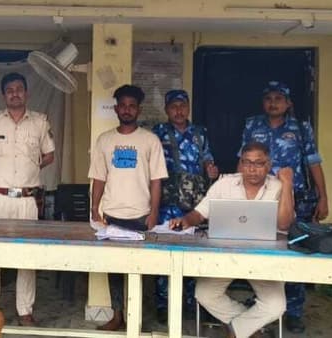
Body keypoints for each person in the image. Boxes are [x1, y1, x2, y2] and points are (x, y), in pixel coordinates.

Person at [169, 142, 294, 338]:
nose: (252, 169)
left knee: (276, 305)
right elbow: (199, 213)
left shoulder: (278, 187)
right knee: (204, 294)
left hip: (265, 258)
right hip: (226, 255)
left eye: (259, 163)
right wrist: (185, 221)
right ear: (241, 164)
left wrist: (287, 184)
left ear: (269, 165)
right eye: (247, 162)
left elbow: (285, 224)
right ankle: (250, 330)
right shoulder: (224, 184)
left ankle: (235, 331)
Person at [239, 81, 328, 334]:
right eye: (269, 98)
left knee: (295, 252)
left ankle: (294, 311)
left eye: (279, 98)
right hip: (260, 198)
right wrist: (238, 193)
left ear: (288, 103)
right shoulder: (252, 125)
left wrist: (323, 197)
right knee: (260, 252)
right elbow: (242, 160)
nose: (273, 103)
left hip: (295, 199)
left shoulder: (300, 127)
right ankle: (265, 305)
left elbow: (313, 162)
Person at [88, 84, 168, 332]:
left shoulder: (150, 140)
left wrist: (154, 213)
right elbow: (98, 177)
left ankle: (137, 318)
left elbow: (156, 180)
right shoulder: (105, 140)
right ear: (116, 109)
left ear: (138, 110)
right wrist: (94, 208)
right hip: (112, 215)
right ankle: (117, 316)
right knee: (114, 269)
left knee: (140, 269)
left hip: (140, 216)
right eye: (122, 105)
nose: (127, 110)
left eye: (132, 106)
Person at [0, 72, 55, 326]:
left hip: (26, 200)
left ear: (26, 93)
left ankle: (25, 311)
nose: (15, 94)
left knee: (26, 257)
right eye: (9, 90)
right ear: (4, 95)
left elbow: (49, 155)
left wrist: (28, 170)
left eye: (19, 89)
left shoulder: (40, 123)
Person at [152, 89, 219, 323]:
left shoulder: (200, 133)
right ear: (166, 110)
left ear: (188, 107)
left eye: (182, 106)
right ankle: (164, 304)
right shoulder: (158, 132)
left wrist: (211, 168)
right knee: (165, 253)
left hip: (195, 205)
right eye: (174, 106)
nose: (179, 111)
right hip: (168, 203)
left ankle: (192, 302)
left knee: (195, 253)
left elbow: (208, 158)